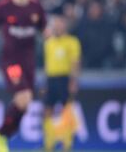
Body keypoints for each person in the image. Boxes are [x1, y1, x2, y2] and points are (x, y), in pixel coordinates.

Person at [0, 0, 47, 152]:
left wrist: (51, 36)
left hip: (29, 62)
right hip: (11, 61)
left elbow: (44, 30)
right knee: (23, 98)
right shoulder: (4, 6)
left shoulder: (36, 6)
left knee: (25, 104)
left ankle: (1, 137)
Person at [43, 15, 81, 152]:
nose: (57, 26)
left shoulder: (72, 41)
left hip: (65, 79)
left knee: (67, 111)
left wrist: (73, 81)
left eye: (60, 23)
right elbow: (47, 64)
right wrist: (46, 82)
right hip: (51, 79)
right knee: (47, 111)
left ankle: (66, 145)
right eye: (55, 24)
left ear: (65, 25)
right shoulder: (49, 42)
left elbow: (75, 63)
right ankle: (49, 145)